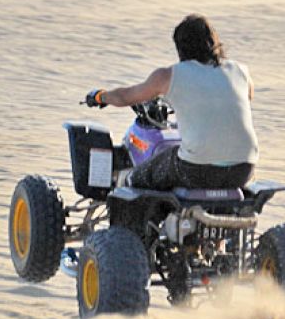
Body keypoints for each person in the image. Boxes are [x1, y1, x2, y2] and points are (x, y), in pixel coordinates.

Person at [85, 14, 259, 190]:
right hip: (243, 169)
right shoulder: (240, 70)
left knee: (141, 175)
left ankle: (130, 209)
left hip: (197, 170)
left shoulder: (168, 76)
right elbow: (246, 96)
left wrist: (100, 96)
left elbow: (124, 97)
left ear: (180, 48)